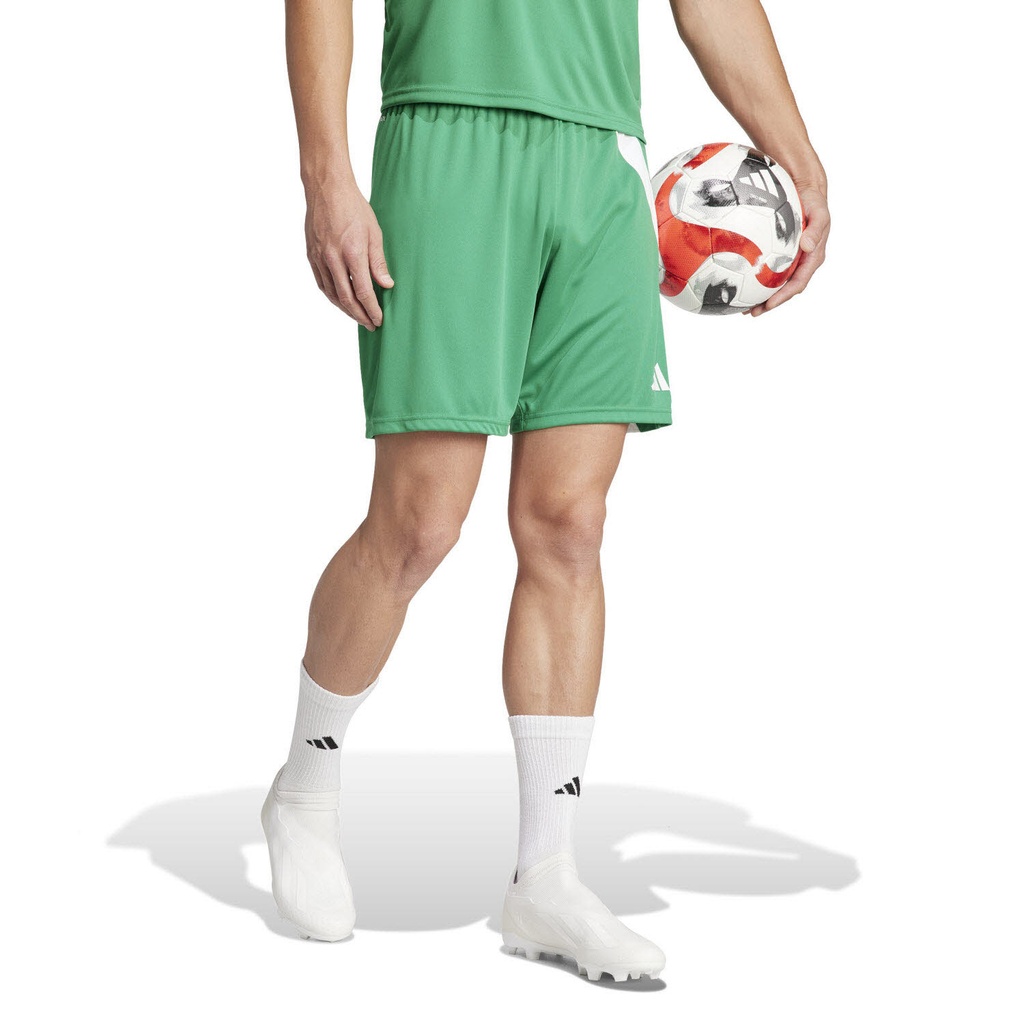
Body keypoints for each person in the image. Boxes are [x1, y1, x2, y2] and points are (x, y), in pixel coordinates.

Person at [261, 0, 830, 983]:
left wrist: (800, 158)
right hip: (448, 134)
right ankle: (304, 789)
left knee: (570, 524)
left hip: (600, 157)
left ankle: (547, 873)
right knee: (419, 523)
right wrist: (326, 174)